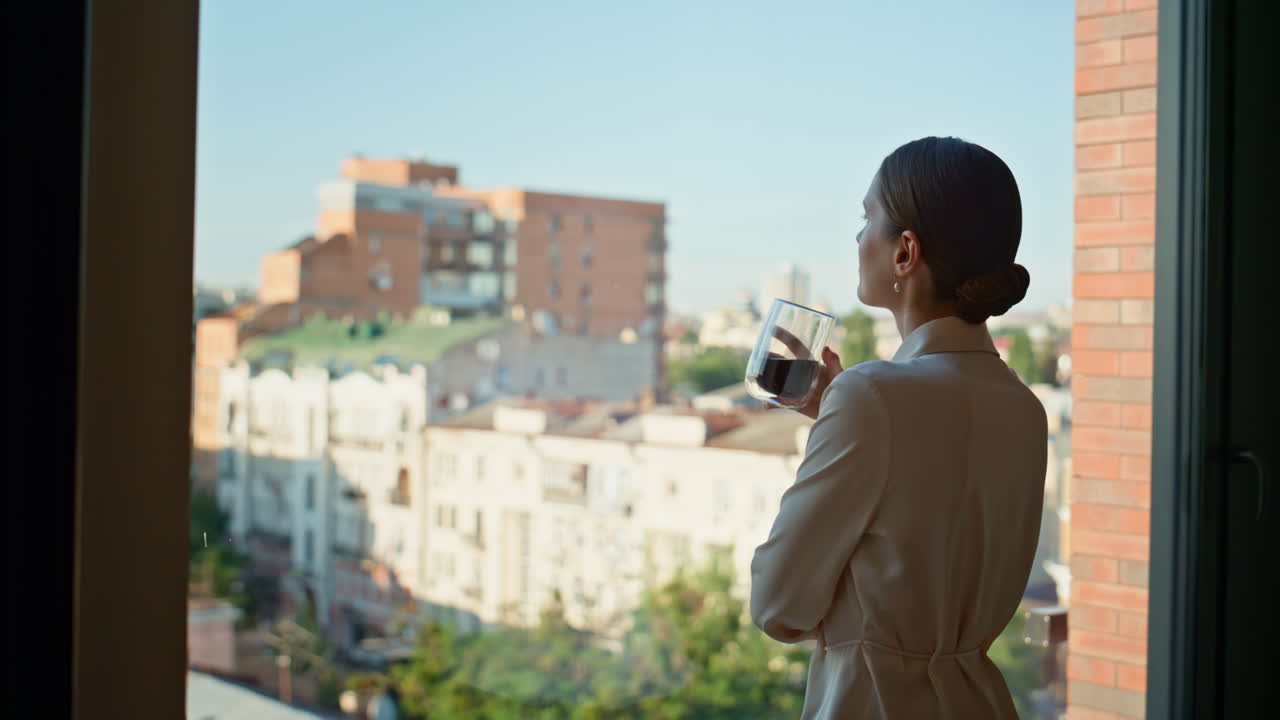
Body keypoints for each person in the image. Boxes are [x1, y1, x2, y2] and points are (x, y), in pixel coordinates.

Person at [750, 136, 1047, 719]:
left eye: (867, 218)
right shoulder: (1024, 408)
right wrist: (842, 415)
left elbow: (778, 606)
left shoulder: (872, 397)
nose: (858, 238)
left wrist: (843, 421)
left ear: (905, 252)